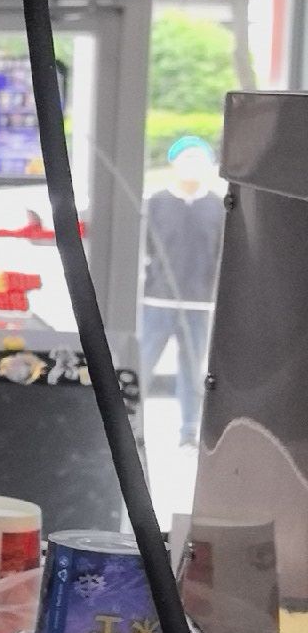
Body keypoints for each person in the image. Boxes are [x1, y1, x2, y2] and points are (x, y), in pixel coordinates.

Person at [140, 134, 226, 449]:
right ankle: (127, 424)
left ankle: (189, 432)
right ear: (174, 163)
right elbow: (146, 248)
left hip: (199, 303)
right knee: (142, 364)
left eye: (199, 159)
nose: (192, 166)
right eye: (186, 158)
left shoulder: (218, 207)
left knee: (192, 369)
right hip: (157, 300)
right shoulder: (156, 203)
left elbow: (220, 253)